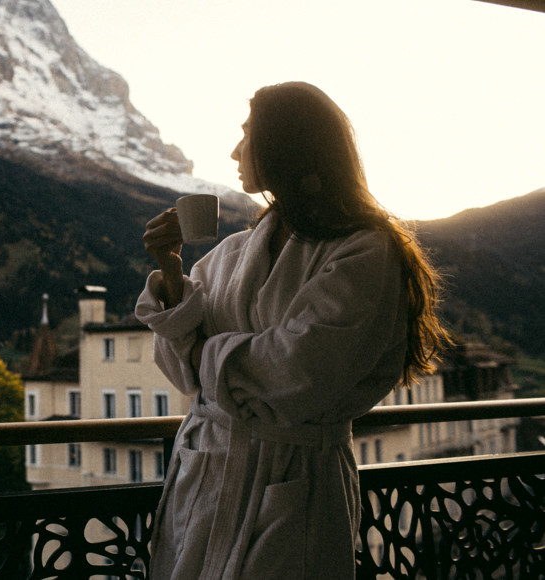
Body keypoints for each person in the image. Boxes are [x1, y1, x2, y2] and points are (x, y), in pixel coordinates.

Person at [135, 81, 449, 579]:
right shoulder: (236, 251)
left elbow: (300, 372)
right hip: (206, 474)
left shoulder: (363, 250)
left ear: (289, 143)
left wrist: (203, 355)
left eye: (248, 135)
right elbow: (177, 365)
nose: (235, 151)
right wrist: (171, 268)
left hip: (296, 477)